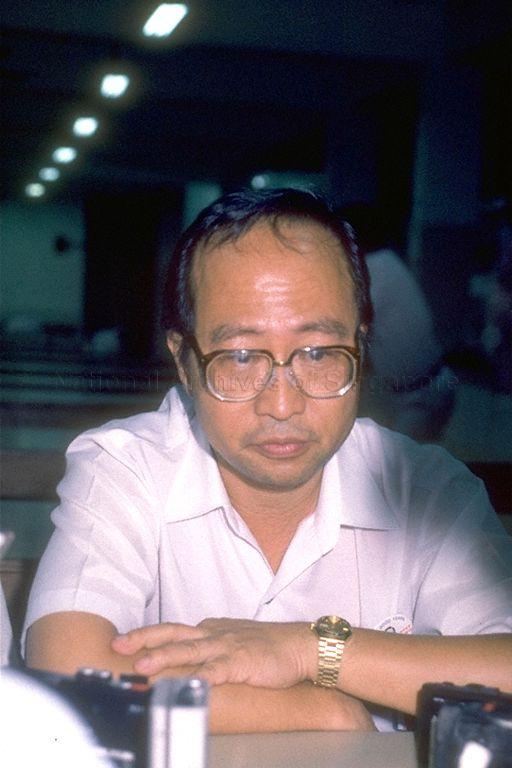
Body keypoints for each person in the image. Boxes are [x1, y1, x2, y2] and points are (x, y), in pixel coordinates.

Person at [24, 189, 512, 734]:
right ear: (185, 362)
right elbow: (64, 673)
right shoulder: (125, 468)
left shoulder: (428, 489)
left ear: (360, 345)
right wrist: (325, 712)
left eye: (319, 353)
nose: (282, 405)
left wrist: (310, 650)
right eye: (239, 357)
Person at [338, 202, 456, 441]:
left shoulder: (375, 269)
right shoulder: (386, 260)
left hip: (422, 396)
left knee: (393, 461)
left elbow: (345, 322)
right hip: (422, 388)